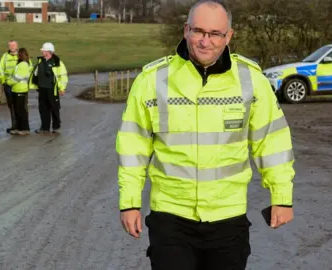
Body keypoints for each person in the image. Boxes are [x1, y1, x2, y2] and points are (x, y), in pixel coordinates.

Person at [115, 1, 295, 270]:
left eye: (215, 34)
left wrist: (281, 196)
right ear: (186, 30)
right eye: (199, 31)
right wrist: (129, 203)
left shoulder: (251, 80)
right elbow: (133, 147)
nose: (205, 41)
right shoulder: (152, 80)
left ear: (228, 36)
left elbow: (272, 141)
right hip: (170, 217)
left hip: (228, 217)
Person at [29, 42, 68, 135]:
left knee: (54, 108)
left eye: (44, 50)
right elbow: (35, 74)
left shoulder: (57, 62)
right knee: (43, 109)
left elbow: (63, 76)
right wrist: (35, 85)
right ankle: (44, 127)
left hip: (52, 89)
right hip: (42, 89)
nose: (42, 51)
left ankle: (56, 127)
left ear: (49, 51)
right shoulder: (40, 61)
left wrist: (62, 88)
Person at [7, 48, 31, 136]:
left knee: (21, 111)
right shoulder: (20, 64)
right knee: (17, 110)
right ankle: (18, 128)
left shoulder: (23, 64)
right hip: (16, 89)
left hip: (20, 89)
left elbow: (17, 77)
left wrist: (9, 82)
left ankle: (24, 128)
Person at [0, 40, 19, 133]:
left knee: (20, 106)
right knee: (11, 106)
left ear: (17, 46)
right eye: (10, 45)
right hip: (8, 85)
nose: (12, 47)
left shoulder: (21, 55)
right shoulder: (5, 56)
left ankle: (22, 125)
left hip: (19, 85)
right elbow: (1, 69)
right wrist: (3, 81)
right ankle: (14, 125)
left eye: (13, 45)